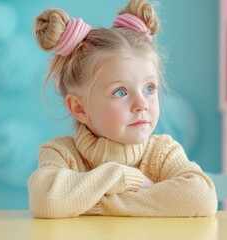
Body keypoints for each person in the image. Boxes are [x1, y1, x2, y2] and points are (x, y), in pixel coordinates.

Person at [28, 0, 217, 218]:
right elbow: (47, 202)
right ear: (79, 109)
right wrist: (121, 176)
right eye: (121, 92)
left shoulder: (162, 152)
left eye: (149, 88)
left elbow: (200, 199)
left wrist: (95, 204)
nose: (142, 104)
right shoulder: (61, 153)